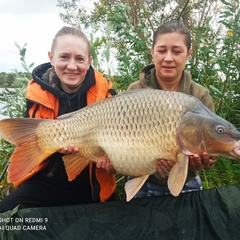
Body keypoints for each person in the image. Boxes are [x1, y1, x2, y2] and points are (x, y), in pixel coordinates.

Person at [0, 26, 117, 213]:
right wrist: (58, 149)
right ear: (51, 58)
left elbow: (120, 149)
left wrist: (112, 165)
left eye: (79, 59)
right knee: (5, 215)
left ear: (89, 62)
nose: (72, 66)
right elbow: (34, 152)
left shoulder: (106, 94)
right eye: (64, 57)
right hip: (45, 182)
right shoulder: (38, 94)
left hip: (93, 186)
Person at [126, 20, 217, 198]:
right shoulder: (134, 92)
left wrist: (207, 160)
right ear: (152, 52)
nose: (168, 58)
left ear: (188, 54)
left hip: (186, 181)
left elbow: (212, 150)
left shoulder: (200, 96)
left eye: (176, 51)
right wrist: (150, 165)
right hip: (143, 181)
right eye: (162, 50)